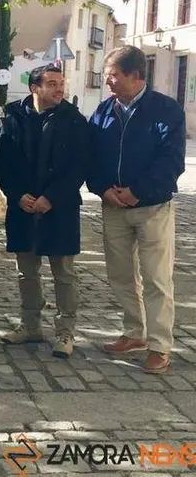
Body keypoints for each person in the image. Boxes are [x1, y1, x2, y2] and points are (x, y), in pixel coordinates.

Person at [88, 45, 185, 374]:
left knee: (157, 277)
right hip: (113, 206)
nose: (107, 81)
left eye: (113, 75)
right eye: (106, 75)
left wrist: (136, 191)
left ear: (136, 76)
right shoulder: (102, 111)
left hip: (152, 207)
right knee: (120, 275)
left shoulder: (166, 111)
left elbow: (171, 161)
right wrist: (102, 189)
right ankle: (134, 333)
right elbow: (93, 157)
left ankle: (160, 346)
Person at [0, 64, 90, 358]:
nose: (59, 89)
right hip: (23, 206)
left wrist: (52, 197)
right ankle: (30, 326)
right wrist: (16, 194)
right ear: (34, 88)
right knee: (27, 272)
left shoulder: (74, 120)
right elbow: (4, 162)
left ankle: (65, 332)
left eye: (61, 83)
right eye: (51, 83)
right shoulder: (14, 117)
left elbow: (80, 166)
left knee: (63, 274)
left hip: (59, 208)